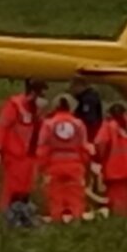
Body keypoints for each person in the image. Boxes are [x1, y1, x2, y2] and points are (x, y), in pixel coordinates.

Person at [0, 79, 46, 227]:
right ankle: (8, 220)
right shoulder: (14, 106)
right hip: (14, 155)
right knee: (12, 189)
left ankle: (22, 217)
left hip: (30, 156)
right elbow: (1, 126)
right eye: (40, 94)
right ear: (32, 93)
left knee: (26, 188)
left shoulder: (36, 111)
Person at [35, 94, 93, 224]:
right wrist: (86, 164)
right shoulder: (79, 124)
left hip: (54, 165)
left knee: (55, 194)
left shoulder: (48, 124)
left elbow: (42, 147)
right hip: (75, 164)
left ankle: (57, 222)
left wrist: (41, 167)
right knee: (75, 194)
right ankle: (76, 221)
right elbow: (84, 146)